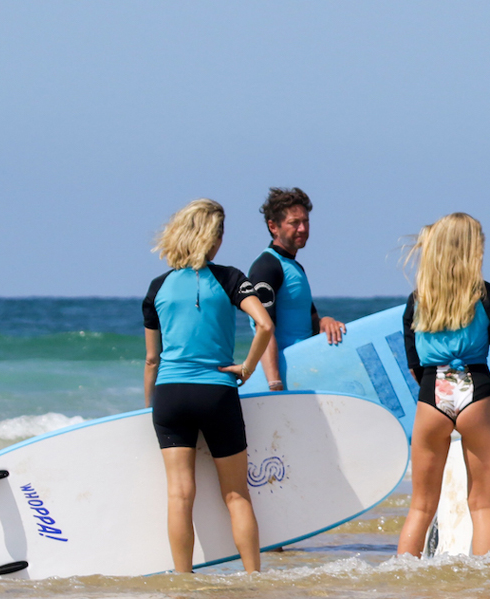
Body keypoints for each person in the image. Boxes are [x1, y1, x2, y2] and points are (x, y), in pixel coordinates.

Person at [142, 198, 274, 573]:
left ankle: (184, 582)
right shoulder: (230, 278)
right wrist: (247, 368)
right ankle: (253, 577)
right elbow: (264, 325)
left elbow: (152, 359)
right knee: (236, 495)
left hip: (170, 395)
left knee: (180, 495)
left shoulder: (157, 287)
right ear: (212, 239)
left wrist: (150, 405)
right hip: (217, 392)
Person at [396, 213, 490, 558]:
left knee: (420, 508)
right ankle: (484, 598)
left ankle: (406, 593)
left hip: (433, 392)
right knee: (481, 507)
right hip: (476, 391)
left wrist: (434, 395)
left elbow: (414, 367)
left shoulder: (418, 300)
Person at [248, 187, 346, 391]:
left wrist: (325, 322)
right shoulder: (266, 267)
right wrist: (275, 385)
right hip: (284, 378)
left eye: (306, 221)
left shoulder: (294, 267)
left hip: (304, 373)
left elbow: (306, 323)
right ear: (273, 226)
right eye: (294, 223)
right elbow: (264, 329)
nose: (302, 228)